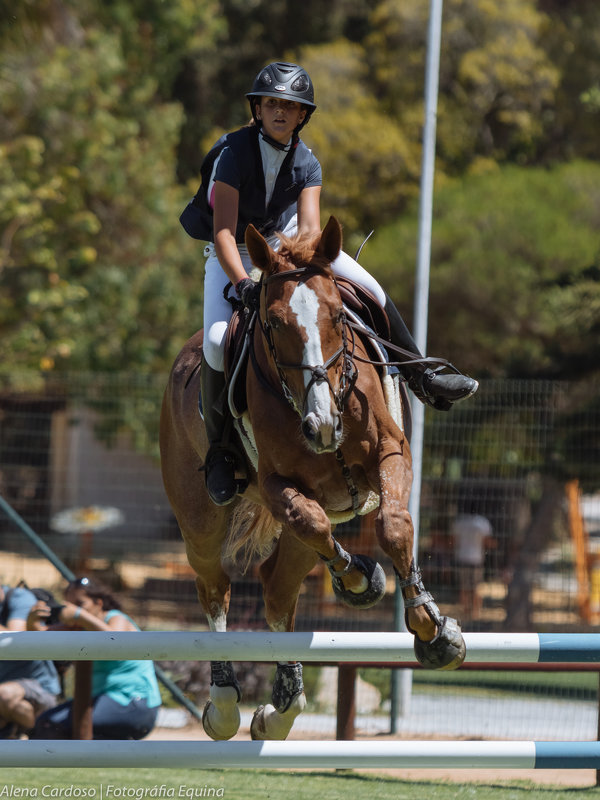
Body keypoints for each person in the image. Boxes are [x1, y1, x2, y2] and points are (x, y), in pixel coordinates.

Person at [180, 60, 478, 506]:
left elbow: (311, 231)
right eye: (273, 104)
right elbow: (224, 232)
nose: (281, 112)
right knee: (220, 342)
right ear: (257, 109)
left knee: (372, 289)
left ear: (303, 116)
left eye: (291, 106)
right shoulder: (233, 155)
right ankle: (222, 450)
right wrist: (244, 282)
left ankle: (422, 375)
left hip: (295, 250)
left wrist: (307, 269)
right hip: (238, 252)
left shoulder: (307, 162)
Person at [31, 576, 161, 740]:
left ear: (99, 603)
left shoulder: (116, 618)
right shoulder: (78, 627)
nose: (73, 610)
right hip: (97, 702)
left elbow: (114, 642)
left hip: (134, 703)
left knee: (57, 725)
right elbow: (41, 636)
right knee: (46, 723)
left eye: (80, 604)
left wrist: (79, 615)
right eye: (69, 605)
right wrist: (33, 620)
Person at [0, 583, 61, 739]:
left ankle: (37, 732)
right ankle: (17, 731)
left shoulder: (20, 597)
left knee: (4, 694)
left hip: (39, 688)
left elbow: (14, 639)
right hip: (11, 700)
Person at [450, 509, 494, 621]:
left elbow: (453, 541)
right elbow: (487, 542)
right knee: (476, 587)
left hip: (462, 558)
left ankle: (465, 612)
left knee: (464, 588)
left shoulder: (459, 522)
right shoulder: (483, 523)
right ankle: (475, 613)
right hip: (476, 560)